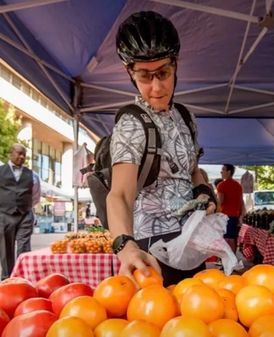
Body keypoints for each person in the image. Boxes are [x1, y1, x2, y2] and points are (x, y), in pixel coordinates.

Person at [107, 11, 216, 286]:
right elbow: (119, 194)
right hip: (150, 251)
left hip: (191, 244)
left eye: (164, 73)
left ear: (176, 64)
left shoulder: (185, 117)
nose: (157, 87)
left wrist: (204, 190)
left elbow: (192, 171)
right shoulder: (132, 123)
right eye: (145, 76)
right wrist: (125, 245)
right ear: (129, 72)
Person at [0, 143, 41, 280]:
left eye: (24, 154)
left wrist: (25, 206)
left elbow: (35, 196)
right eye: (19, 153)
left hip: (25, 214)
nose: (22, 157)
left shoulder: (32, 175)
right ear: (11, 153)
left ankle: (23, 277)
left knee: (24, 246)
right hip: (4, 214)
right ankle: (7, 278)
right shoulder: (1, 171)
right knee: (6, 247)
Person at [217, 164, 245, 253]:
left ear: (229, 172)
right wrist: (241, 215)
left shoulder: (221, 185)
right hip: (235, 215)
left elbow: (220, 202)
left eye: (223, 170)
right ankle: (233, 259)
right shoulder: (238, 185)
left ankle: (228, 260)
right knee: (233, 238)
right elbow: (241, 202)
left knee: (226, 238)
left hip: (225, 215)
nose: (221, 172)